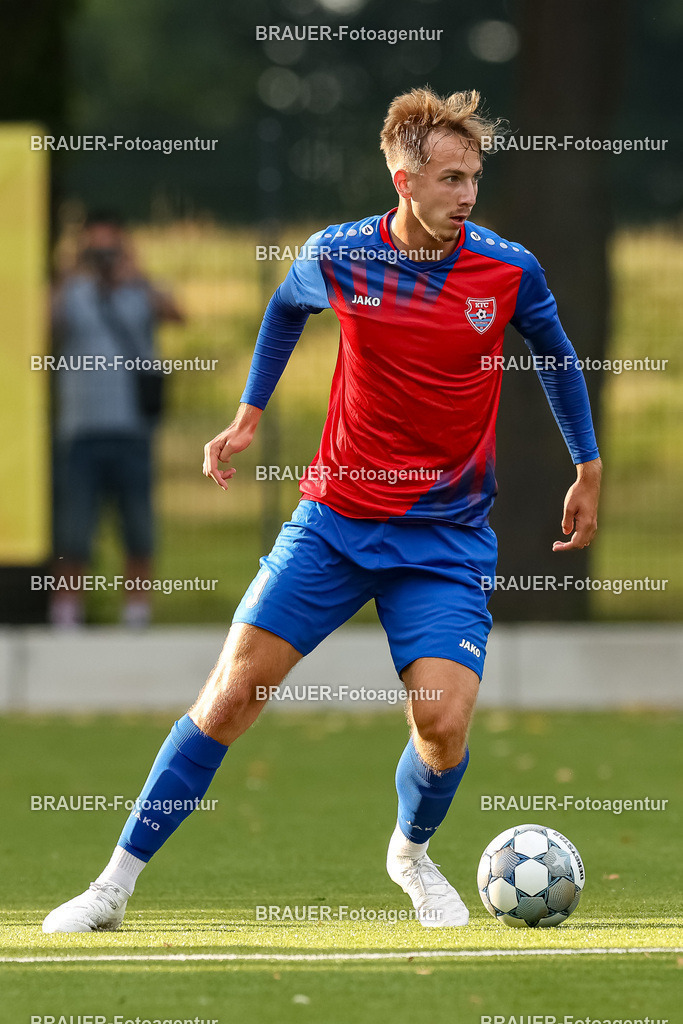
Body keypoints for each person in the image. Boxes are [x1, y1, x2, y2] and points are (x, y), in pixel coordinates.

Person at [43, 88, 601, 932]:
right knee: (230, 697)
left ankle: (410, 855)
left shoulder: (507, 268)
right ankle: (111, 885)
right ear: (401, 177)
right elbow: (283, 310)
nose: (467, 195)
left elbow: (556, 359)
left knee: (442, 725)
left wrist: (586, 465)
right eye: (450, 179)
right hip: (334, 523)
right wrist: (249, 411)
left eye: (474, 178)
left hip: (444, 537)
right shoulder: (338, 254)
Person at [50, 211, 183, 627]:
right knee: (73, 531)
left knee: (138, 528)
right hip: (80, 431)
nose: (104, 257)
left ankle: (136, 616)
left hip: (132, 432)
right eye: (97, 248)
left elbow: (178, 314)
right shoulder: (72, 291)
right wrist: (72, 271)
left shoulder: (138, 289)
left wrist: (136, 273)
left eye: (112, 247)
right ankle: (67, 617)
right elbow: (42, 327)